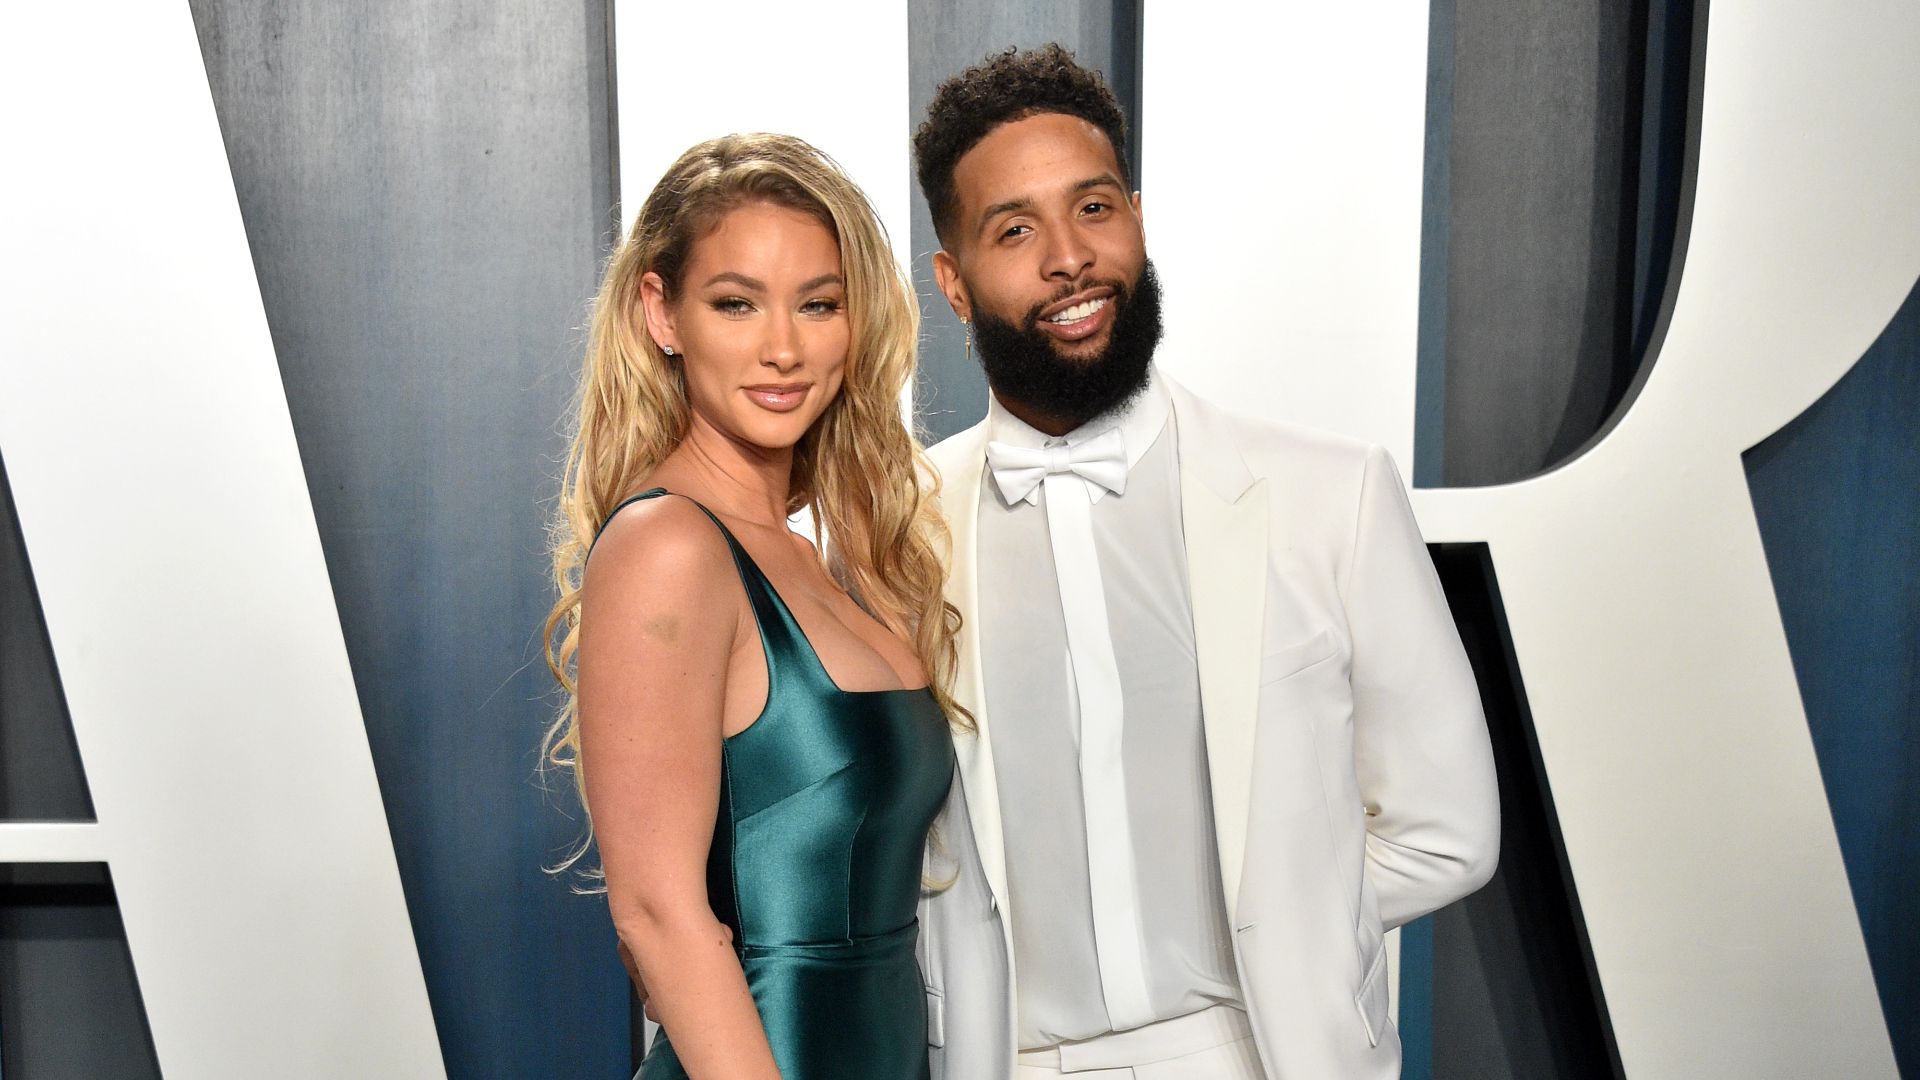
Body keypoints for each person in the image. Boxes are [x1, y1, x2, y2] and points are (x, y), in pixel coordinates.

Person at [911, 45, 1501, 1079]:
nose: (1068, 258)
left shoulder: (1333, 495)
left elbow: (1448, 831)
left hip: (1262, 1054)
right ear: (954, 285)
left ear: (1135, 217)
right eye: (1015, 230)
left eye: (1093, 209)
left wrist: (1287, 926)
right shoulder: (889, 537)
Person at [542, 133, 964, 1080]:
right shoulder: (669, 547)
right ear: (662, 311)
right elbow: (655, 913)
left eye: (818, 305)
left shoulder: (822, 559)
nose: (784, 347)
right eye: (736, 303)